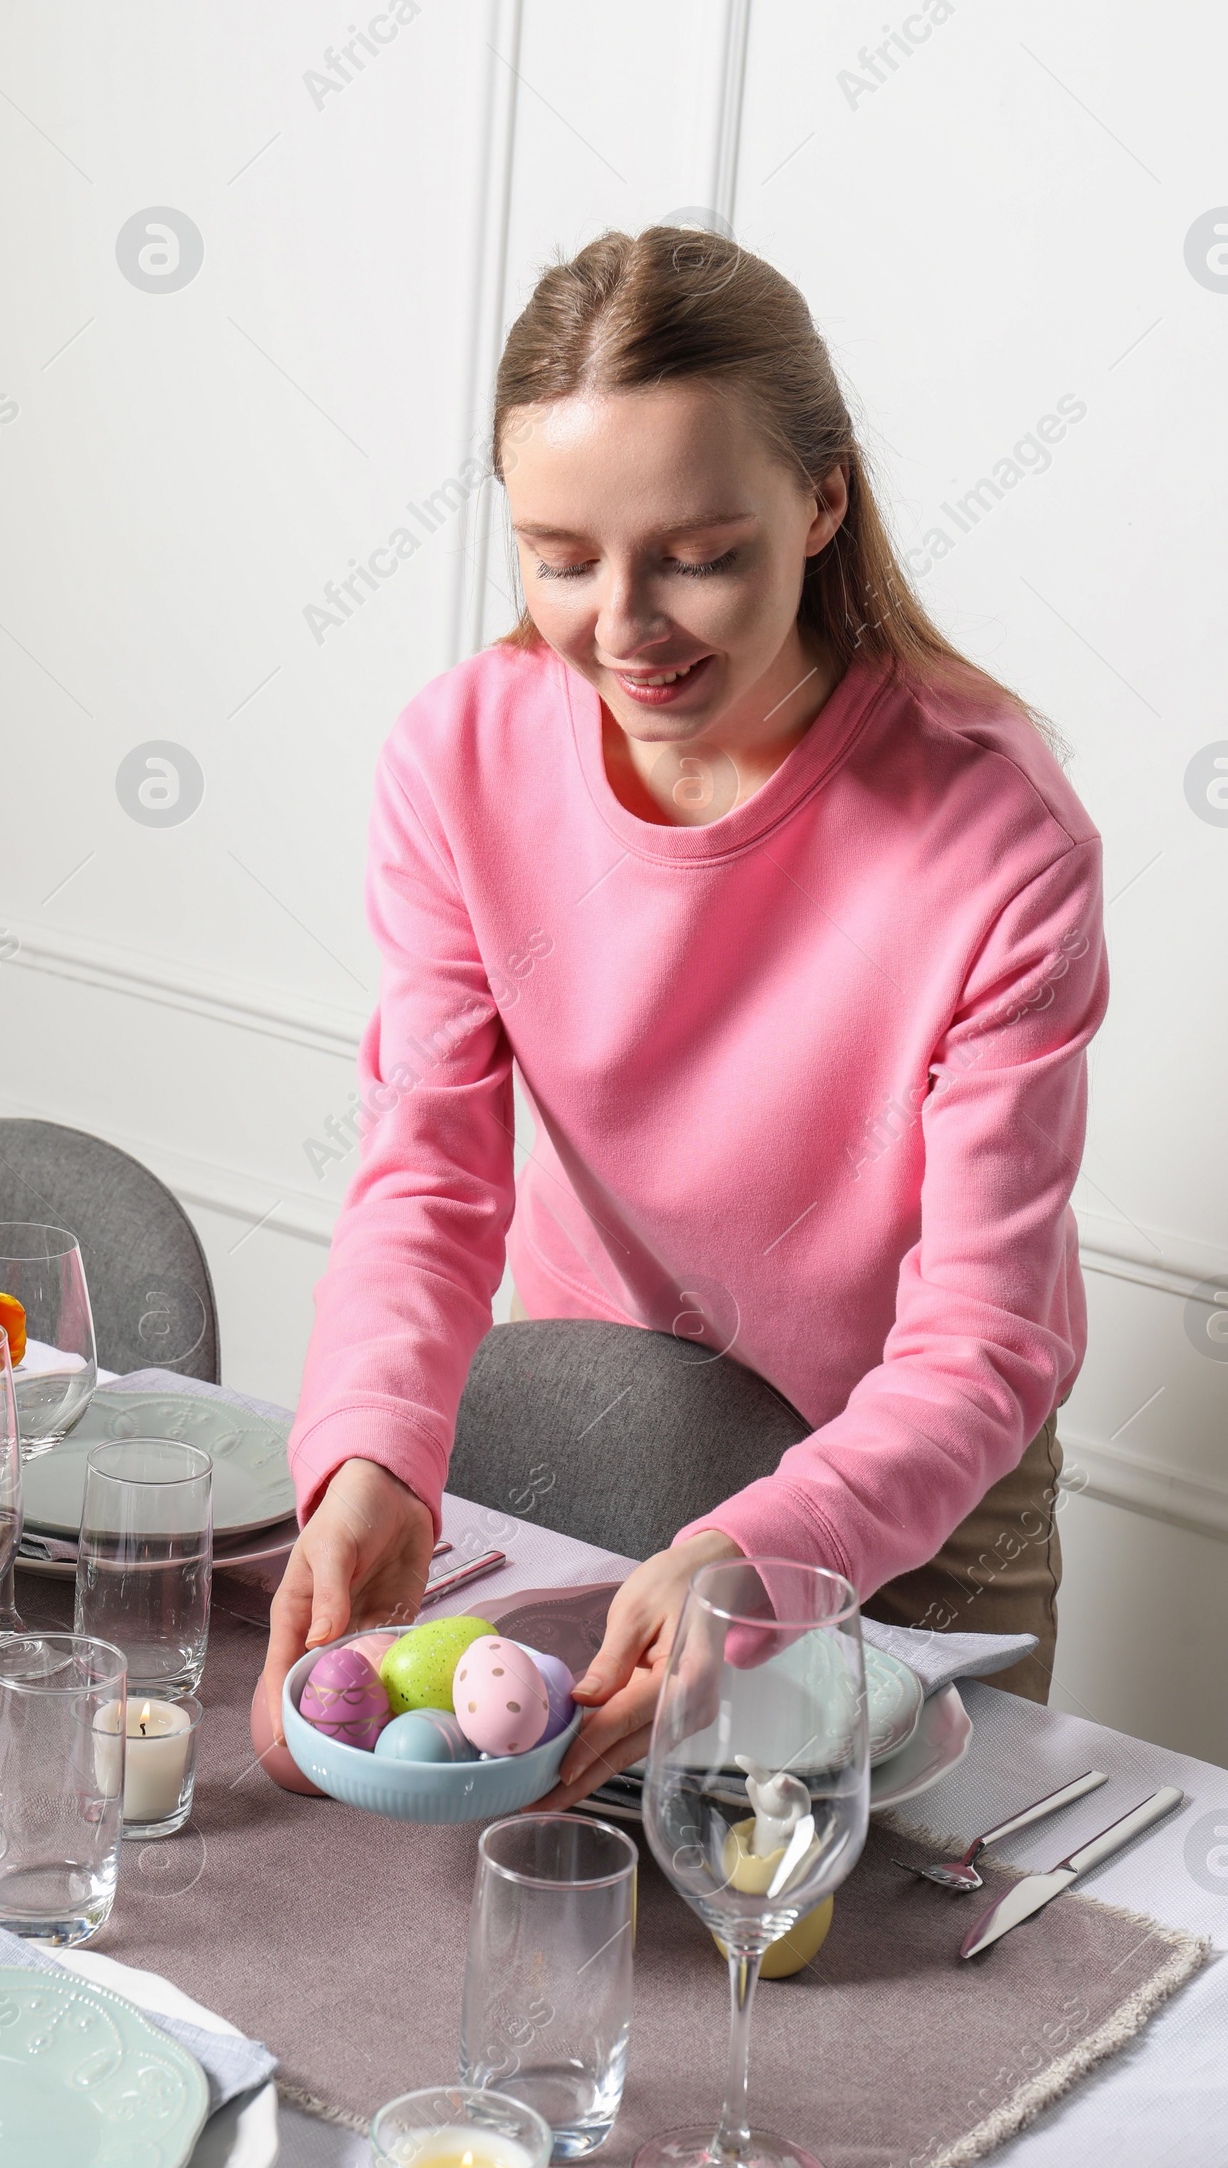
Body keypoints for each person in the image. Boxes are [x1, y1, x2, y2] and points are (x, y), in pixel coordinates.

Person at [260, 225, 1106, 1807]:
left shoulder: (1000, 838)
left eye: (698, 554)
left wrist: (766, 1550)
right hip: (611, 1417)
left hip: (914, 1482)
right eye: (562, 556)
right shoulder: (457, 762)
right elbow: (431, 1177)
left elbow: (982, 1336)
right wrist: (373, 1458)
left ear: (822, 502)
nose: (626, 626)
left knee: (869, 1962)